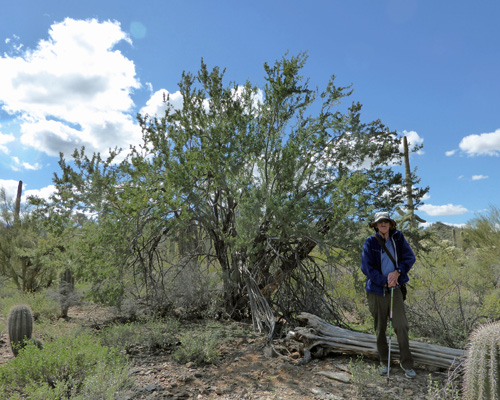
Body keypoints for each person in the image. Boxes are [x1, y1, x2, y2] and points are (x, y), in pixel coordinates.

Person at [360, 211, 417, 379]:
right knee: (380, 327)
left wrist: (398, 272)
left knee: (401, 326)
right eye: (380, 222)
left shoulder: (398, 238)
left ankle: (406, 364)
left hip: (396, 289)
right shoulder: (370, 242)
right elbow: (366, 267)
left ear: (390, 224)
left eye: (386, 221)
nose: (383, 224)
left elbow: (409, 258)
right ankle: (384, 362)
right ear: (376, 225)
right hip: (377, 290)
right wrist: (384, 281)